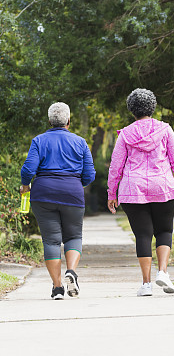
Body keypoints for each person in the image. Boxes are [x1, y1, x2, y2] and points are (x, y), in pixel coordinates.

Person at [107, 88, 174, 296]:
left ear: (131, 110)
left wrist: (112, 194)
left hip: (132, 189)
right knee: (164, 231)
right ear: (152, 107)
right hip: (163, 187)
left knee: (142, 235)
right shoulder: (165, 130)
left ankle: (146, 285)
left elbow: (116, 166)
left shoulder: (125, 134)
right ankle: (162, 272)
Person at [20, 102, 95, 300]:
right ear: (69, 121)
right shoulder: (80, 142)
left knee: (51, 240)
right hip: (72, 194)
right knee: (73, 236)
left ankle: (57, 287)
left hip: (43, 194)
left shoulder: (39, 140)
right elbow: (89, 174)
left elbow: (28, 169)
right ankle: (71, 271)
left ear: (50, 121)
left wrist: (25, 185)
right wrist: (77, 184)